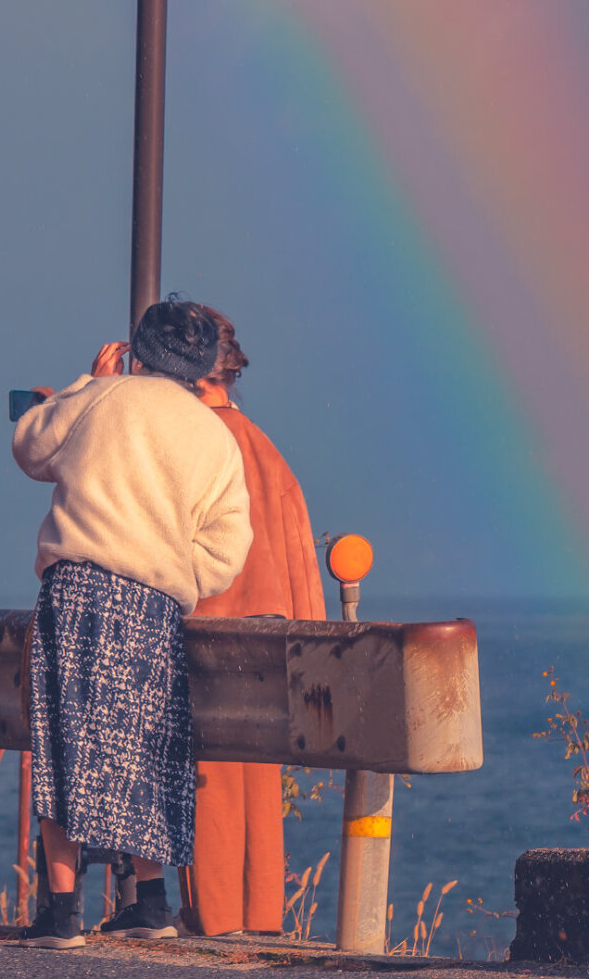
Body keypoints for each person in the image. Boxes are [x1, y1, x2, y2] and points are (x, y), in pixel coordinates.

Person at [12, 298, 252, 948]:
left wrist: (88, 381)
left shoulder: (102, 397)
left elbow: (30, 447)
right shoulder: (213, 435)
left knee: (65, 742)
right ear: (203, 367)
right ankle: (151, 903)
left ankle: (62, 913)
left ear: (136, 350)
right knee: (147, 747)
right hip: (155, 602)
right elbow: (228, 549)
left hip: (78, 587)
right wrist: (178, 579)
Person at [178, 307, 327, 940]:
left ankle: (212, 927)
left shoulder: (195, 444)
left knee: (206, 788)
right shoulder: (268, 449)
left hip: (204, 632)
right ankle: (261, 925)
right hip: (271, 644)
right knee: (259, 794)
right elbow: (301, 565)